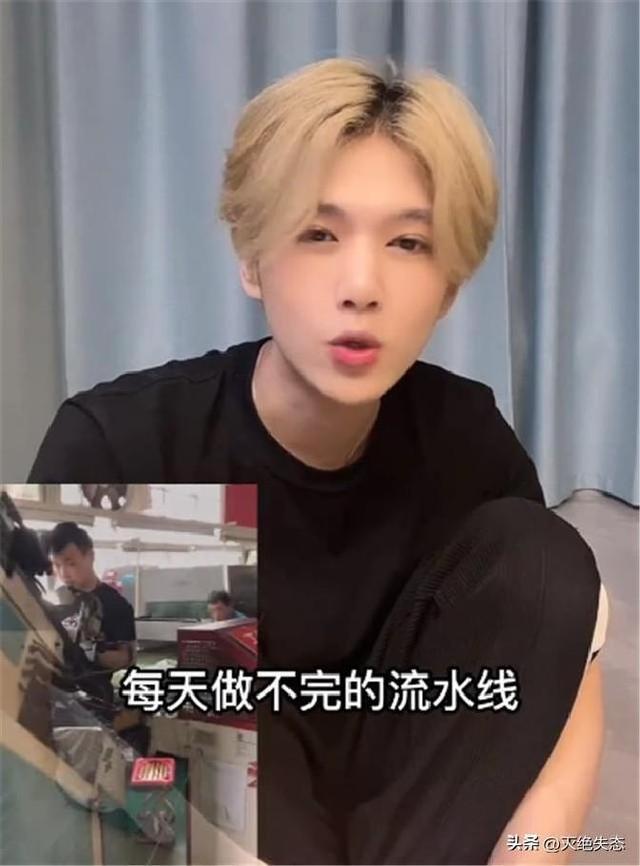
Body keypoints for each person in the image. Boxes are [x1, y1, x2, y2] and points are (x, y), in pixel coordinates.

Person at [28, 57, 608, 864]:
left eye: (409, 242)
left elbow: (562, 670)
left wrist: (536, 854)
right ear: (252, 257)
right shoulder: (122, 442)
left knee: (545, 555)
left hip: (415, 815)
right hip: (226, 818)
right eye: (319, 234)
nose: (361, 285)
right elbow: (59, 729)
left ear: (448, 285)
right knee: (191, 622)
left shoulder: (467, 437)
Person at [47, 522, 136, 701]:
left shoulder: (115, 605)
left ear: (90, 556)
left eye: (71, 563)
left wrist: (90, 654)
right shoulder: (53, 601)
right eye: (56, 565)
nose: (63, 573)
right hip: (53, 694)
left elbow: (127, 658)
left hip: (95, 700)